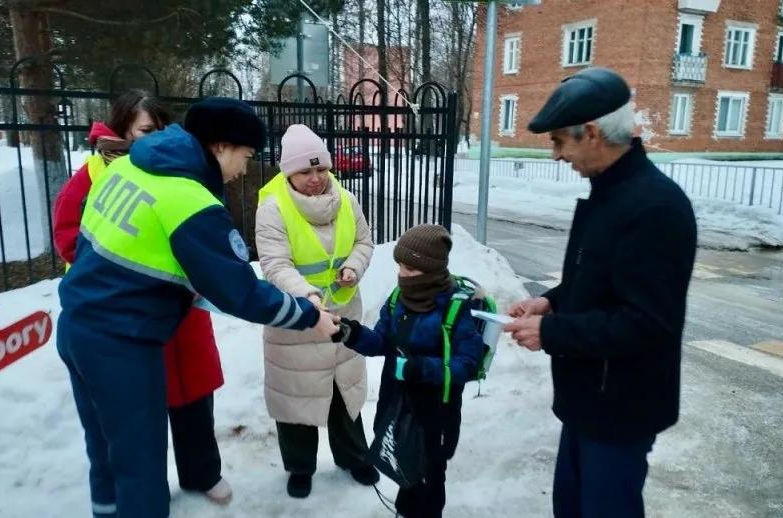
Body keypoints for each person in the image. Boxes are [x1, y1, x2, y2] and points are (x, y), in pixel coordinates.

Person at [56, 98, 339, 518]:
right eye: (245, 157)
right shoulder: (189, 200)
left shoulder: (127, 167)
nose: (243, 170)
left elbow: (95, 245)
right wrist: (308, 314)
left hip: (76, 326)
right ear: (221, 147)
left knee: (106, 452)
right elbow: (239, 291)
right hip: (122, 345)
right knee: (139, 466)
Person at [502, 67, 698, 518]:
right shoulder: (612, 194)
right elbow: (602, 278)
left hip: (620, 410)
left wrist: (551, 333)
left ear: (591, 133)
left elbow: (649, 322)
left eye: (558, 142)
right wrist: (551, 300)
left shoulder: (656, 207)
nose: (555, 155)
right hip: (589, 400)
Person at [52, 90, 233, 505]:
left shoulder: (177, 167)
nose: (154, 138)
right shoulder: (92, 176)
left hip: (184, 309)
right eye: (145, 130)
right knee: (137, 420)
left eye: (160, 129)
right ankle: (144, 490)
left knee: (194, 395)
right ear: (121, 130)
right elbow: (70, 238)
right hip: (127, 314)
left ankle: (202, 472)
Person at [254, 123, 377, 498]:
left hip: (343, 314)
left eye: (321, 168)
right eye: (305, 171)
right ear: (288, 172)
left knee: (344, 392)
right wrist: (307, 297)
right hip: (297, 318)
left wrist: (354, 266)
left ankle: (355, 457)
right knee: (297, 394)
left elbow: (364, 241)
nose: (315, 178)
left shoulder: (347, 200)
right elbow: (275, 264)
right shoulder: (273, 208)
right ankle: (300, 467)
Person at [332, 224, 486, 518]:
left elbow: (468, 364)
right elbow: (382, 341)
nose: (402, 274)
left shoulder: (455, 309)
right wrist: (351, 334)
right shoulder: (398, 299)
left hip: (434, 414)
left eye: (410, 269)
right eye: (400, 266)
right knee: (404, 465)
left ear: (432, 270)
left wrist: (422, 369)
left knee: (429, 477)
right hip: (396, 404)